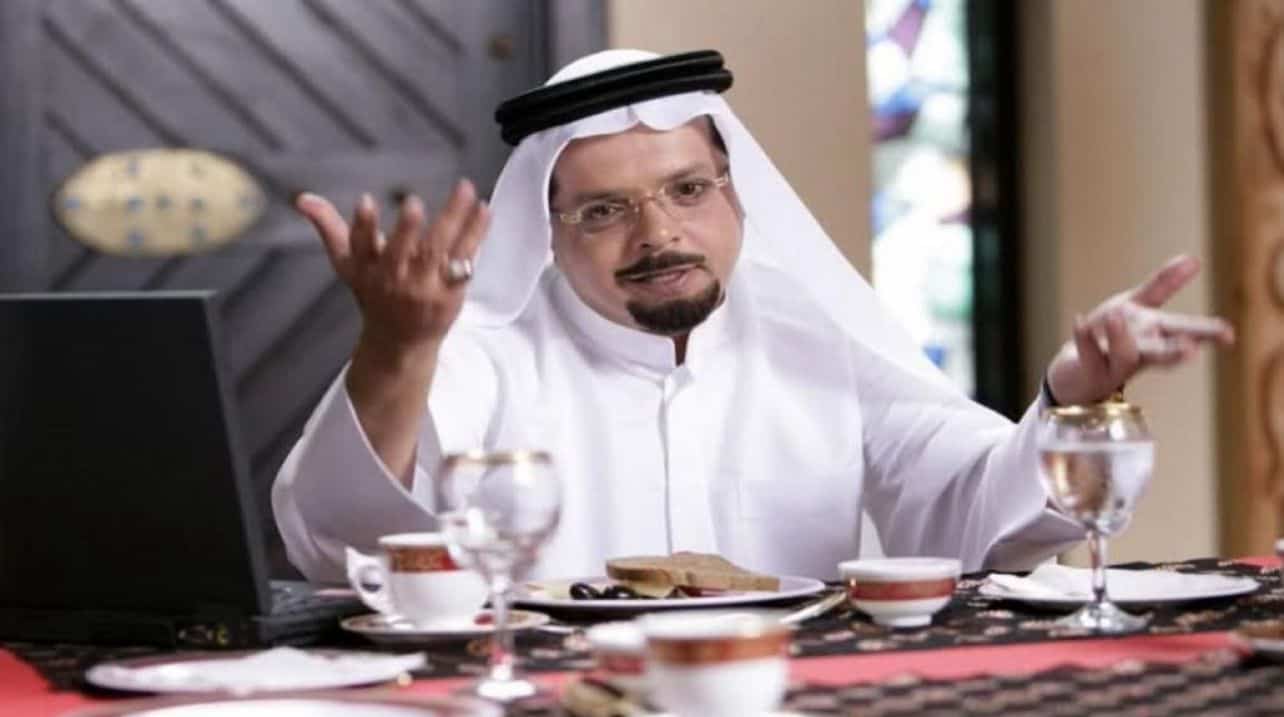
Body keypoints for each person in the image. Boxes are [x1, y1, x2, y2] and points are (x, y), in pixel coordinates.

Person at [272, 50, 1233, 583]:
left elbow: (981, 513)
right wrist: (395, 350)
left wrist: (1071, 393)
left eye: (688, 189)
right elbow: (335, 546)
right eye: (604, 210)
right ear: (548, 231)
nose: (658, 233)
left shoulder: (815, 334)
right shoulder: (484, 349)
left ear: (735, 191)